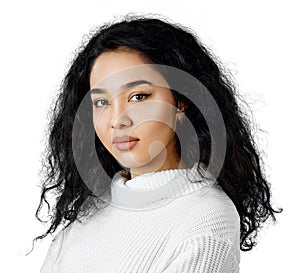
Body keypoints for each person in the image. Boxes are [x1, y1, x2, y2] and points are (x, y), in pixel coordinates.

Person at [34, 14, 282, 273]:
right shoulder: (92, 208)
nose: (117, 120)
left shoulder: (206, 220)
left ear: (181, 101)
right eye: (101, 102)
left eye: (138, 96)